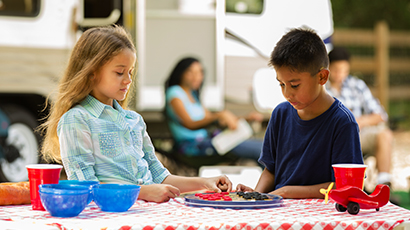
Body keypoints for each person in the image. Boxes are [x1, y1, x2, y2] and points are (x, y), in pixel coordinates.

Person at [39, 26, 232, 203]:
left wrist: (205, 182)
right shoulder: (77, 120)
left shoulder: (134, 120)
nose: (128, 80)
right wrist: (143, 192)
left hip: (149, 211)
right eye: (119, 72)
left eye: (130, 72)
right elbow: (86, 187)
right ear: (92, 73)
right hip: (112, 217)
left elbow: (160, 177)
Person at [236, 28, 364, 199]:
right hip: (279, 209)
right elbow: (271, 170)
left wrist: (287, 191)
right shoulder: (280, 114)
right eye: (281, 84)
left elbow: (346, 186)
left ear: (322, 77)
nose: (287, 94)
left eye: (294, 85)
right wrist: (257, 195)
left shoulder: (342, 122)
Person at [164, 57, 264, 163]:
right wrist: (219, 115)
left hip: (209, 142)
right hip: (193, 147)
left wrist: (247, 118)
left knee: (264, 147)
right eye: (191, 72)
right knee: (261, 151)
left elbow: (214, 119)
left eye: (200, 72)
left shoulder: (193, 95)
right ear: (181, 73)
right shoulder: (174, 93)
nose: (196, 77)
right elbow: (189, 123)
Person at [326, 46, 394, 186]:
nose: (340, 74)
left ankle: (383, 184)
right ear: (328, 68)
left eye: (344, 70)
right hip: (333, 139)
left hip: (359, 135)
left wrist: (360, 121)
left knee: (384, 134)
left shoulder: (356, 85)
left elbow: (381, 115)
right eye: (336, 70)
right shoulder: (321, 88)